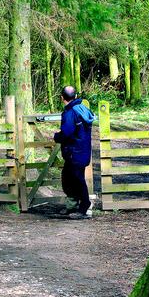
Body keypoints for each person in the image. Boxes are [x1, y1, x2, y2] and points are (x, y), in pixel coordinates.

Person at [53, 86, 95, 219]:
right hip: (82, 151)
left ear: (62, 98)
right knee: (69, 178)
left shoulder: (71, 112)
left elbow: (67, 133)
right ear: (75, 96)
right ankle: (73, 205)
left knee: (77, 180)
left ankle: (84, 207)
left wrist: (56, 136)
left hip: (74, 152)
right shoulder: (82, 108)